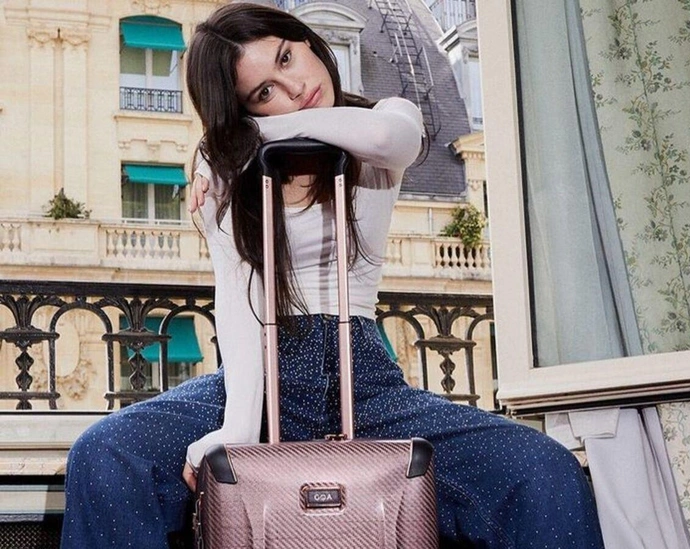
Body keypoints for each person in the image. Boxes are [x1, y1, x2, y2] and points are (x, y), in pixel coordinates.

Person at [61, 3, 605, 548]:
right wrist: (239, 429)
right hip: (258, 377)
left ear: (306, 40)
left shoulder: (384, 117)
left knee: (543, 472)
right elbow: (239, 293)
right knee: (106, 454)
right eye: (264, 92)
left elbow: (393, 140)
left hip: (365, 381)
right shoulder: (232, 175)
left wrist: (254, 130)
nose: (295, 88)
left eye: (287, 58)